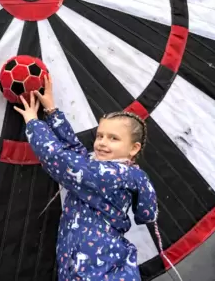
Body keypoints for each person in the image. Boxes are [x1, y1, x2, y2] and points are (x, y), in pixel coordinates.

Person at [14, 75, 158, 280]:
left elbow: (59, 158)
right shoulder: (105, 171)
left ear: (133, 149)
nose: (102, 142)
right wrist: (52, 112)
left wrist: (33, 123)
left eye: (113, 138)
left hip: (100, 271)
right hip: (83, 268)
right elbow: (76, 152)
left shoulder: (114, 175)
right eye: (100, 136)